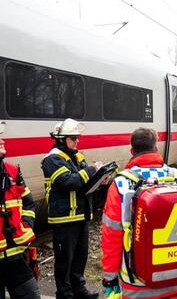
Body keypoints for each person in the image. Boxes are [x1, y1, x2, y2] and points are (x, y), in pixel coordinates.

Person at [101, 127, 177, 299]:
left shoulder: (121, 184)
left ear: (132, 151)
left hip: (137, 283)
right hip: (175, 278)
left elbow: (112, 236)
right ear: (156, 147)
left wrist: (109, 278)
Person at [41, 118, 102, 299]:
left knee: (79, 257)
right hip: (64, 218)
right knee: (64, 262)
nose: (77, 142)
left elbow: (84, 183)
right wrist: (91, 170)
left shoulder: (78, 156)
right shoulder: (52, 159)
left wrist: (100, 179)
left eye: (78, 138)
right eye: (73, 138)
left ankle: (79, 290)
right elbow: (69, 182)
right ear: (61, 139)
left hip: (81, 215)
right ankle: (65, 294)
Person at [0, 122, 40, 299]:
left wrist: (27, 227)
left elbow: (28, 202)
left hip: (16, 256)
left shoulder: (12, 171)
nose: (2, 140)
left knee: (31, 295)